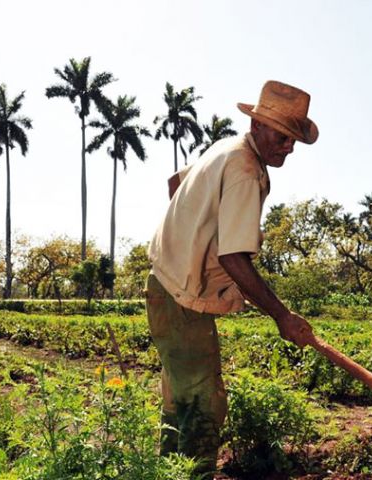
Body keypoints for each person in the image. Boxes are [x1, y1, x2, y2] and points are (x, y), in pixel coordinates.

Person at [146, 80, 318, 477]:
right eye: (282, 135)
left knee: (179, 402)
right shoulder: (244, 168)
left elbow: (176, 183)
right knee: (205, 405)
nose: (288, 146)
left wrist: (190, 234)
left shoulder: (225, 147)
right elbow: (234, 258)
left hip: (164, 286)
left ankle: (166, 473)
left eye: (293, 139)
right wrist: (282, 315)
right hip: (182, 298)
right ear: (258, 126)